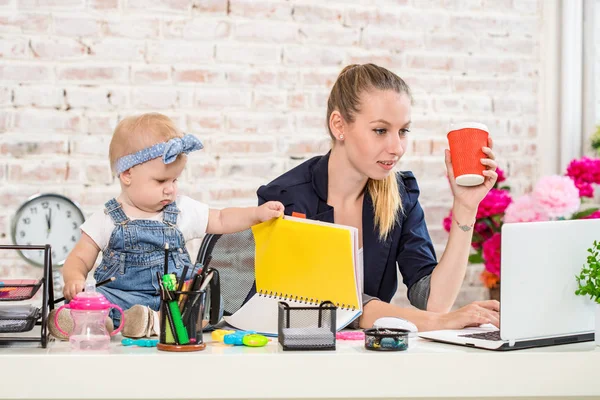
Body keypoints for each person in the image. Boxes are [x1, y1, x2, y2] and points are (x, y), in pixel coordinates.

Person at [256, 64, 499, 331]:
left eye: (403, 131)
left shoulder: (400, 196)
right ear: (339, 125)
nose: (397, 148)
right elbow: (331, 304)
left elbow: (433, 301)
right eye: (381, 130)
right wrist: (438, 322)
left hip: (373, 357)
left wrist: (465, 207)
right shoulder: (286, 199)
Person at [49, 113, 284, 339]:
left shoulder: (181, 209)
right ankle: (110, 320)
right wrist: (74, 279)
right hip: (123, 297)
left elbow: (221, 218)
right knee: (95, 297)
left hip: (176, 298)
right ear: (127, 174)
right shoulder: (107, 218)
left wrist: (256, 214)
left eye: (175, 180)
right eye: (161, 181)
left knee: (210, 300)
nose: (170, 189)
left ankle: (148, 321)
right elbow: (79, 258)